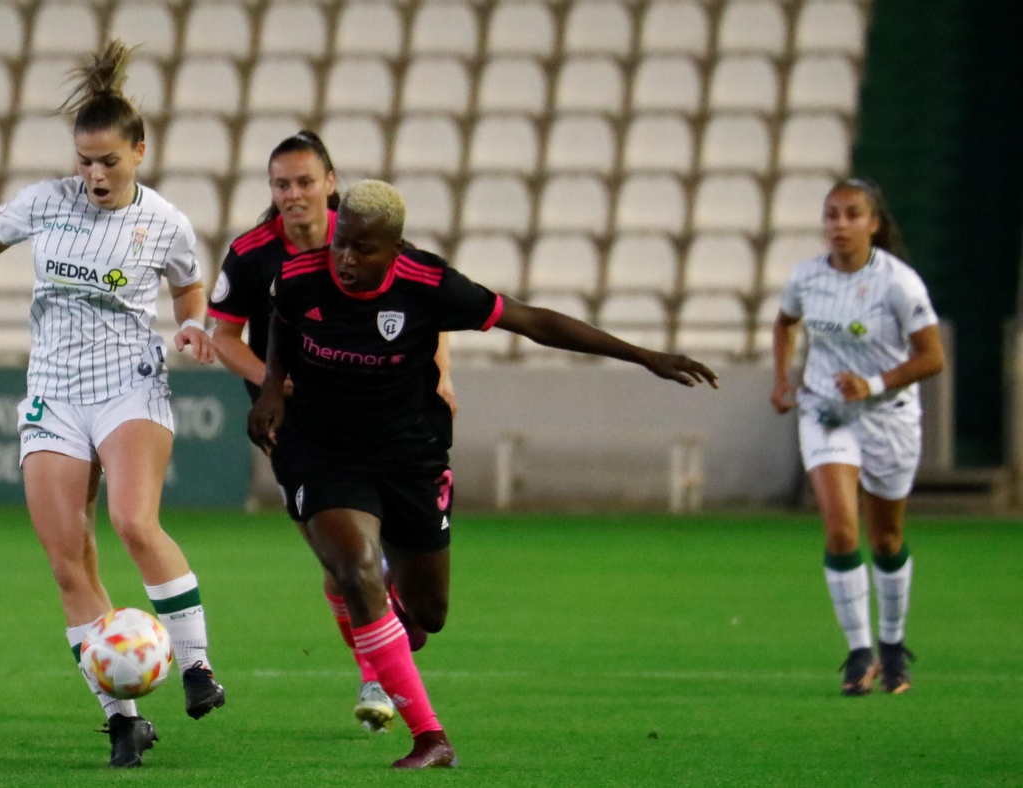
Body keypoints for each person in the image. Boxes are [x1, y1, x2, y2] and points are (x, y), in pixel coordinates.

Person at [248, 180, 718, 768]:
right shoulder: (300, 275)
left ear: (395, 248)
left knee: (428, 614)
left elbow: (533, 320)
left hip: (408, 455)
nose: (345, 258)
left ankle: (391, 613)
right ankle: (430, 737)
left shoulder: (431, 285)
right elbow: (283, 325)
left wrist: (646, 356)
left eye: (363, 249)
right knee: (354, 566)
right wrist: (270, 389)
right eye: (342, 242)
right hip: (321, 450)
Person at [0, 40, 225, 768]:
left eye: (108, 161)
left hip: (129, 385)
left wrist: (193, 324)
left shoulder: (165, 222)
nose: (93, 174)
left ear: (139, 153)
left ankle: (194, 666)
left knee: (131, 520)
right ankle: (120, 717)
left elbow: (190, 283)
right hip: (53, 394)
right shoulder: (46, 203)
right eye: (84, 159)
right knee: (68, 560)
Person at [209, 131, 460, 733]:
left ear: (329, 182)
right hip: (299, 427)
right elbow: (223, 335)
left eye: (303, 182)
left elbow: (429, 302)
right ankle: (376, 667)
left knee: (381, 583)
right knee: (337, 562)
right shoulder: (251, 255)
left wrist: (443, 374)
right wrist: (275, 383)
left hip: (380, 418)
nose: (292, 195)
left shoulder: (366, 237)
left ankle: (383, 642)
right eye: (280, 185)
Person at [769, 178, 942, 696]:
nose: (839, 225)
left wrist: (874, 383)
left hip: (888, 415)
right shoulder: (805, 277)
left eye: (851, 214)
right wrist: (784, 379)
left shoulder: (898, 282)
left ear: (873, 224)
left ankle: (892, 646)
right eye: (831, 215)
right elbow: (785, 323)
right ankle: (858, 653)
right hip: (826, 411)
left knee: (886, 539)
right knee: (843, 530)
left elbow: (932, 357)